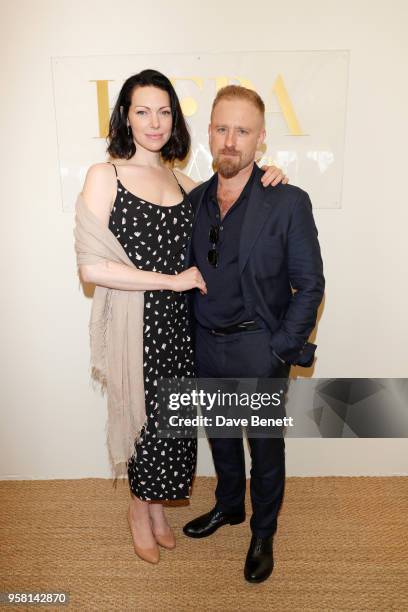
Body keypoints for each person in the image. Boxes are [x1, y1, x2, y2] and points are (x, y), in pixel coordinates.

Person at [76, 70, 287, 565]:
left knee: (172, 426)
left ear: (176, 118)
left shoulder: (182, 180)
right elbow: (90, 268)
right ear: (125, 117)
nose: (155, 122)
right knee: (142, 422)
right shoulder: (105, 175)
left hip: (184, 328)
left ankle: (156, 511)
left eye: (165, 111)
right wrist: (170, 281)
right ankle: (137, 511)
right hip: (137, 325)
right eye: (142, 111)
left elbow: (231, 195)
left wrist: (269, 175)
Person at [182, 85, 325, 583]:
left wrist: (279, 349)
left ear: (260, 139)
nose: (230, 140)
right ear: (210, 132)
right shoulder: (194, 199)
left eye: (242, 131)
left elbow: (310, 285)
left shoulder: (286, 200)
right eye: (222, 128)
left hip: (258, 348)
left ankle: (263, 532)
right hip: (205, 343)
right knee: (220, 435)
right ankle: (229, 507)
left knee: (263, 448)